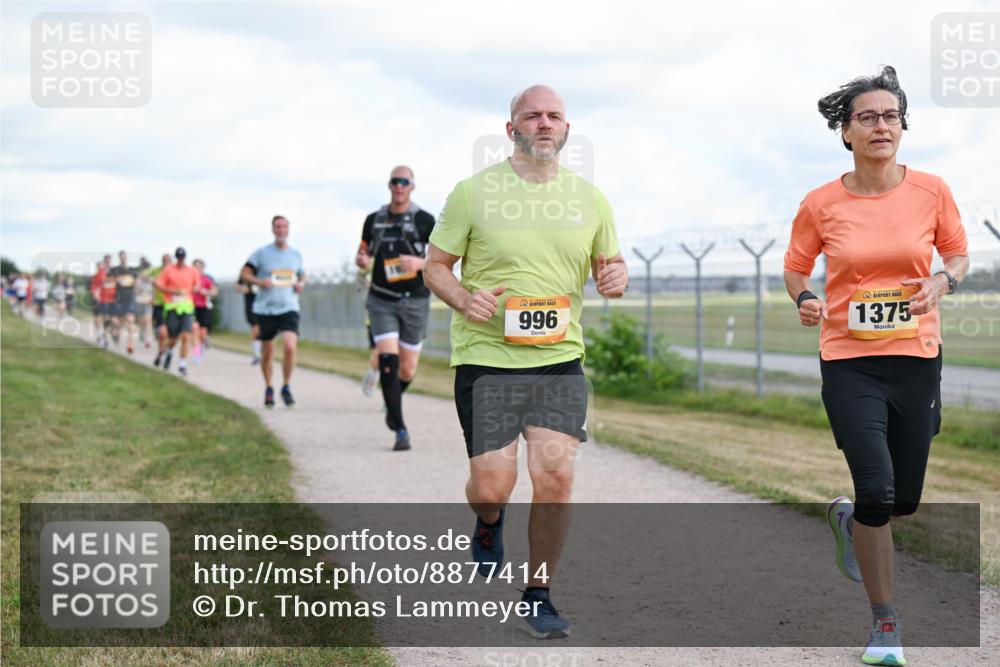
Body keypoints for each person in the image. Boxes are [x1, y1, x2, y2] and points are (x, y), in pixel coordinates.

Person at [423, 85, 627, 638]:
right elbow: (436, 266)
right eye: (531, 115)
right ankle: (488, 523)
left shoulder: (591, 199)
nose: (544, 122)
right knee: (492, 487)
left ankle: (539, 592)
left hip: (558, 359)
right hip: (487, 359)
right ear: (510, 128)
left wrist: (615, 276)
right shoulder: (472, 193)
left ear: (567, 129)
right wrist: (464, 298)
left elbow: (611, 263)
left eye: (554, 115)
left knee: (555, 477)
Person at [783, 66, 969, 667]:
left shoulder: (932, 191)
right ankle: (884, 622)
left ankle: (849, 520)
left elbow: (959, 254)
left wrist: (941, 280)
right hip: (849, 360)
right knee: (877, 489)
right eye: (867, 117)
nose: (880, 125)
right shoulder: (820, 203)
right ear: (845, 132)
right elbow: (796, 268)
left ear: (903, 127)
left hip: (916, 358)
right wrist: (806, 298)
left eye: (890, 116)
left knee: (902, 501)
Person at [355, 166, 436, 450]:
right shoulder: (373, 220)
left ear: (412, 186)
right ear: (389, 185)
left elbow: (442, 260)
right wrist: (363, 261)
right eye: (395, 182)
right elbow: (363, 253)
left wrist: (421, 264)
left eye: (405, 182)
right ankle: (400, 429)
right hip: (382, 298)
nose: (399, 186)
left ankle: (393, 403)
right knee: (388, 360)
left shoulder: (425, 220)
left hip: (415, 299)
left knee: (407, 368)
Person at [241, 215, 306, 408]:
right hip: (266, 309)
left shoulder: (296, 254)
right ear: (272, 229)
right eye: (277, 227)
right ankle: (269, 386)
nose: (281, 230)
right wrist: (260, 282)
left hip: (289, 306)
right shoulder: (261, 253)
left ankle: (286, 386)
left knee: (289, 346)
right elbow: (244, 274)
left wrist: (301, 283)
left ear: (289, 229)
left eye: (284, 226)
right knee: (267, 352)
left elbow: (302, 274)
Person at [155, 247, 201, 376]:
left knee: (187, 336)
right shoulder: (168, 270)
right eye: (179, 258)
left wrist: (195, 288)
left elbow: (197, 285)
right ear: (176, 258)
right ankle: (168, 351)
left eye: (183, 258)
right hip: (172, 307)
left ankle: (183, 365)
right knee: (172, 338)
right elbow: (158, 284)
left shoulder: (192, 271)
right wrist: (171, 291)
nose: (181, 260)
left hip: (187, 307)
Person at [109, 250, 140, 353]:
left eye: (124, 257)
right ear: (119, 258)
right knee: (118, 322)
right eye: (121, 257)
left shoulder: (132, 271)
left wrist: (136, 291)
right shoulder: (114, 270)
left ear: (126, 258)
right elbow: (109, 282)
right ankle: (115, 333)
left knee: (130, 320)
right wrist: (116, 280)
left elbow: (136, 284)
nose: (123, 259)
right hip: (118, 299)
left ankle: (130, 344)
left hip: (129, 298)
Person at [191, 259, 218, 363]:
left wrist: (205, 292)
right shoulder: (190, 279)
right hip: (191, 307)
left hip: (204, 307)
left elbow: (215, 291)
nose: (197, 269)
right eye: (195, 267)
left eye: (199, 267)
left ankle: (201, 348)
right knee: (194, 331)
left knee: (202, 333)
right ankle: (197, 355)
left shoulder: (206, 279)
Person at [149, 253, 172, 367]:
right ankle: (162, 353)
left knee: (170, 334)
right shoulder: (157, 271)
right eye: (164, 260)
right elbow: (144, 276)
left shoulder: (175, 273)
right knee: (162, 333)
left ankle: (165, 353)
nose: (166, 262)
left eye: (168, 260)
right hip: (159, 305)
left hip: (172, 306)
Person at [235, 272, 262, 365]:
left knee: (264, 330)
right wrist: (245, 289)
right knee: (255, 328)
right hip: (252, 306)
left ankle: (262, 353)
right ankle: (257, 355)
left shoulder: (266, 271)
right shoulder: (247, 274)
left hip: (266, 306)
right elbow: (237, 287)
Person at [90, 256, 116, 348]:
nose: (108, 262)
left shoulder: (114, 272)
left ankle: (105, 338)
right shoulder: (100, 272)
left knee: (108, 319)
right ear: (104, 262)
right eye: (106, 261)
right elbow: (94, 285)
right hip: (101, 299)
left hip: (111, 300)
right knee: (98, 319)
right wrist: (95, 294)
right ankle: (99, 334)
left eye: (110, 261)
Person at [135, 258, 154, 348]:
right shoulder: (138, 280)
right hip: (140, 301)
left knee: (148, 320)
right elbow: (135, 290)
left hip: (148, 302)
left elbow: (155, 291)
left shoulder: (152, 279)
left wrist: (152, 298)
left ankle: (148, 339)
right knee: (141, 320)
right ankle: (141, 332)